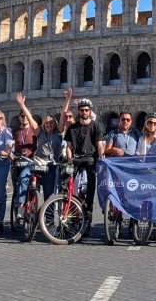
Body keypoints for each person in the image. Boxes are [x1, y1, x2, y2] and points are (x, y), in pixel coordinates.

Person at [63, 94, 104, 226]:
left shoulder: (95, 126)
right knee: (67, 180)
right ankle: (69, 205)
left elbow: (99, 144)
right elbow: (68, 147)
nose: (84, 112)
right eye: (82, 110)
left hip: (90, 158)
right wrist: (69, 160)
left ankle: (89, 209)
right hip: (76, 159)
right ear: (79, 111)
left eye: (87, 110)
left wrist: (101, 156)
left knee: (91, 182)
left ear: (90, 111)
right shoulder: (72, 128)